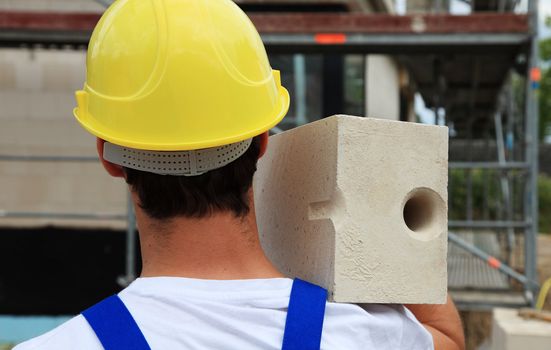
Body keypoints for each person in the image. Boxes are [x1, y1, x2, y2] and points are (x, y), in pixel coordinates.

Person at [14, 0, 464, 349]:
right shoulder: (361, 336)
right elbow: (447, 338)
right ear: (263, 142)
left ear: (108, 156)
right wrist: (383, 212)